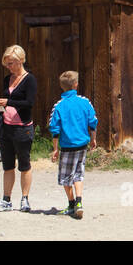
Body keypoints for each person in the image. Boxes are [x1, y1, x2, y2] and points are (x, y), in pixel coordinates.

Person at [48, 70, 97, 220]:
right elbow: (93, 122)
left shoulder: (59, 106)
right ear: (76, 84)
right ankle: (80, 202)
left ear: (61, 87)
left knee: (65, 176)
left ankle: (71, 204)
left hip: (67, 146)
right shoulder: (85, 102)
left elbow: (54, 129)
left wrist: (55, 149)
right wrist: (93, 139)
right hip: (82, 145)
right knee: (78, 174)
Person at [0, 44, 36, 212]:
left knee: (24, 164)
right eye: (7, 64)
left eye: (11, 63)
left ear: (20, 61)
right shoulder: (6, 79)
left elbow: (29, 103)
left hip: (22, 128)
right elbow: (5, 102)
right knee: (7, 165)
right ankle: (6, 199)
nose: (9, 67)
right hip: (6, 126)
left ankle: (25, 199)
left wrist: (8, 102)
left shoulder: (30, 79)